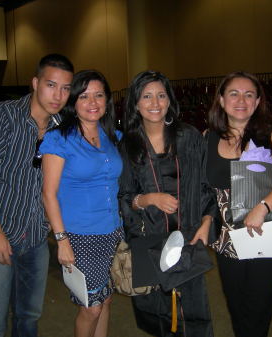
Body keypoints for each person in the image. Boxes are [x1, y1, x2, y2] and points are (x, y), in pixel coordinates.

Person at [0, 54, 74, 337]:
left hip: (36, 239)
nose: (58, 95)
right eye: (51, 85)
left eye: (65, 88)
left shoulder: (61, 127)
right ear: (36, 83)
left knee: (29, 317)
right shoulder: (1, 115)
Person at [118, 70, 216, 337]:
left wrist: (207, 222)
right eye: (146, 96)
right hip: (148, 238)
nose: (155, 103)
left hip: (187, 236)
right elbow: (123, 196)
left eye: (161, 95)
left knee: (194, 310)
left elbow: (207, 186)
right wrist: (148, 199)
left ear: (170, 100)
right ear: (136, 103)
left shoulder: (189, 137)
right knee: (156, 311)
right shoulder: (128, 144)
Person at [205, 71, 272, 337]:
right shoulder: (207, 137)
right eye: (233, 93)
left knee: (258, 308)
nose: (241, 100)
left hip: (266, 231)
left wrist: (263, 207)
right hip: (227, 238)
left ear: (257, 102)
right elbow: (201, 188)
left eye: (249, 95)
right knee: (236, 305)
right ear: (222, 100)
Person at [40, 70, 123, 337]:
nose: (93, 102)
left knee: (105, 299)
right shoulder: (59, 138)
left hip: (113, 231)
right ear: (73, 101)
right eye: (84, 96)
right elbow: (48, 194)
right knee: (91, 307)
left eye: (99, 95)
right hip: (80, 236)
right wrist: (61, 240)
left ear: (107, 100)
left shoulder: (112, 136)